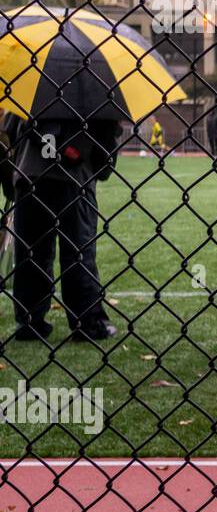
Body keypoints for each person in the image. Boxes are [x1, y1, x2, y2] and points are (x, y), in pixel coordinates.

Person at [1, 111, 122, 341]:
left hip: (30, 174)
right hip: (74, 176)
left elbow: (10, 132)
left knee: (31, 253)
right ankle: (87, 321)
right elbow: (105, 150)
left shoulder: (34, 83)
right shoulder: (92, 90)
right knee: (78, 252)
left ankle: (29, 321)